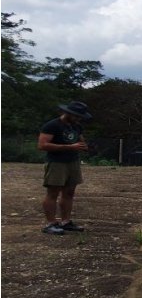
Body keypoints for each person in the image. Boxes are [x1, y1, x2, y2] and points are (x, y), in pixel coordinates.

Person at [37, 101, 92, 235]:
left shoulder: (76, 126)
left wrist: (83, 146)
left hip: (72, 162)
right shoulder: (52, 125)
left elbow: (80, 141)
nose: (78, 119)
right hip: (57, 162)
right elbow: (42, 145)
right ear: (68, 113)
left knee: (69, 192)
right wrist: (69, 147)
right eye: (76, 116)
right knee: (53, 193)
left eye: (80, 116)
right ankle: (50, 223)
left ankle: (65, 221)